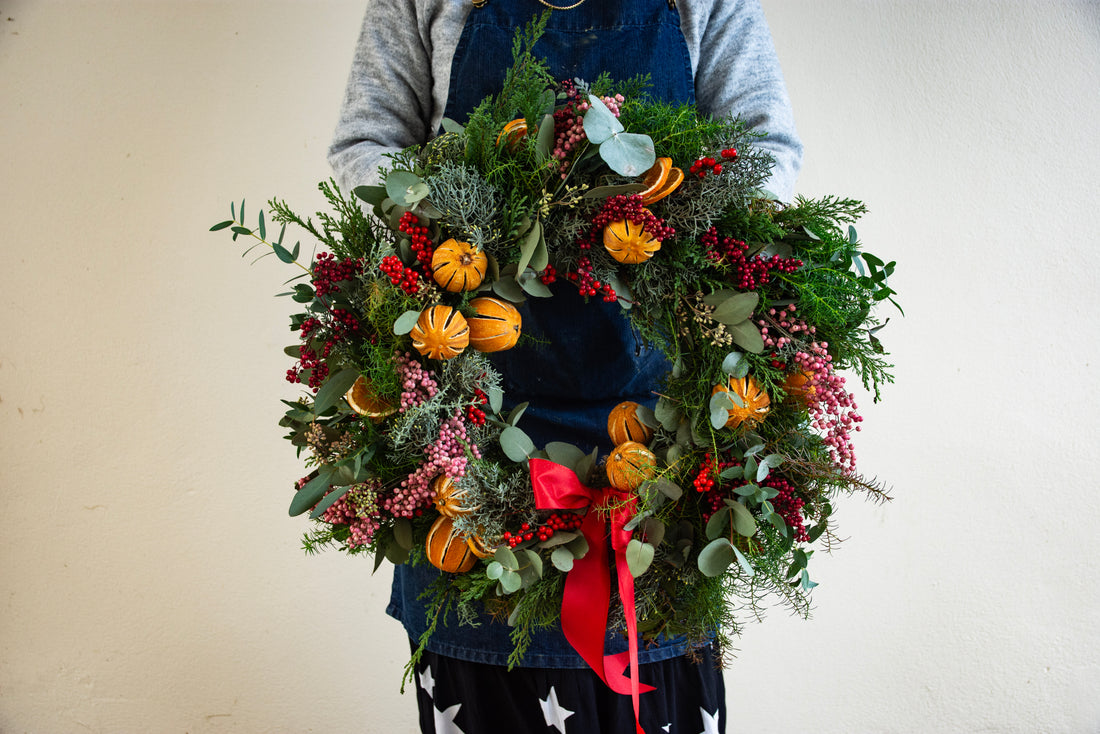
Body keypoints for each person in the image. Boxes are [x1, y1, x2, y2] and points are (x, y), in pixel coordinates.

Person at [329, 2, 802, 732]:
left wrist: (652, 226)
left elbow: (765, 149)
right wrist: (476, 215)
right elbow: (368, 140)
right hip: (466, 442)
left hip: (657, 446)